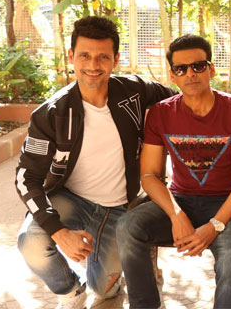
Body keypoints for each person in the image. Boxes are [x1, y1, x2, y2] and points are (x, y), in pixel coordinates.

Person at [15, 16, 175, 309]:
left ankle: (120, 268)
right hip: (71, 200)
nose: (93, 65)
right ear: (71, 56)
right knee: (32, 242)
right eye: (84, 55)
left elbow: (182, 99)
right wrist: (59, 232)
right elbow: (26, 178)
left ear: (115, 60)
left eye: (103, 57)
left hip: (122, 207)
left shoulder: (134, 91)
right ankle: (71, 291)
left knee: (104, 290)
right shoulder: (51, 113)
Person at [116, 34, 231, 309]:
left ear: (211, 69)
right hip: (180, 200)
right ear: (172, 75)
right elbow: (149, 175)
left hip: (227, 204)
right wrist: (176, 214)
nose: (190, 74)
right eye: (181, 69)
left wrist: (215, 225)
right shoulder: (161, 113)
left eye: (198, 66)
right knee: (127, 226)